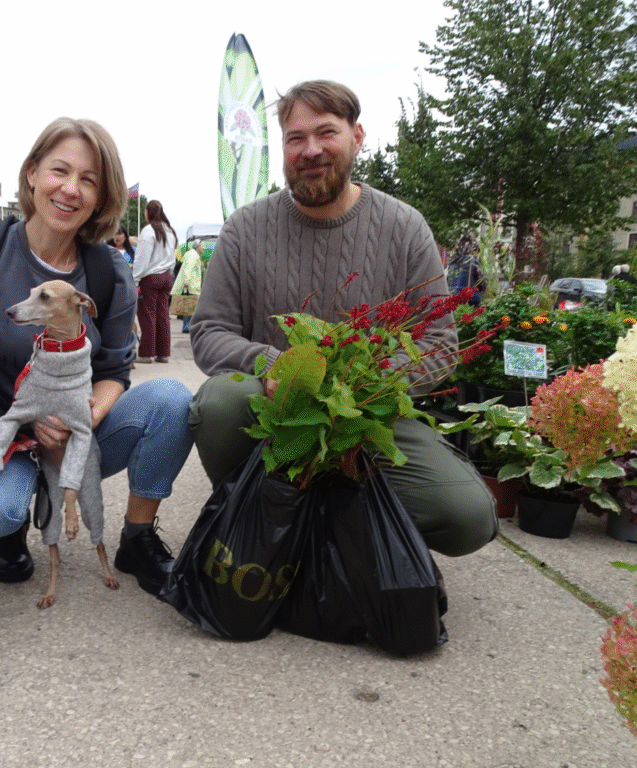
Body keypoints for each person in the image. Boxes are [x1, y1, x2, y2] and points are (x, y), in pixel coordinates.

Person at [189, 80, 497, 559]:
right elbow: (209, 331)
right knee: (220, 402)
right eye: (295, 138)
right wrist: (282, 367)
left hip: (372, 416)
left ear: (357, 136)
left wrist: (360, 388)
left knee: (467, 517)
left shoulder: (404, 226)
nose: (310, 150)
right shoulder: (245, 229)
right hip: (278, 412)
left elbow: (438, 341)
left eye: (326, 133)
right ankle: (255, 519)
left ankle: (340, 530)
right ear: (283, 148)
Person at [0, 117, 193, 596]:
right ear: (32, 173)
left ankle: (136, 538)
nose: (71, 189)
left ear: (101, 195)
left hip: (75, 431)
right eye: (60, 171)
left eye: (89, 180)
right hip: (0, 430)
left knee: (173, 401)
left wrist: (82, 418)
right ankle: (10, 527)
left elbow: (115, 369)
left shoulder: (108, 272)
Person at [132, 200, 176, 364]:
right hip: (166, 277)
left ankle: (146, 354)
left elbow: (142, 259)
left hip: (150, 278)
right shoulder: (169, 230)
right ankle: (163, 354)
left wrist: (135, 279)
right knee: (163, 315)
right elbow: (172, 257)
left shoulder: (148, 231)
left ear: (148, 212)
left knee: (147, 315)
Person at [172, 239, 204, 333]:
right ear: (197, 246)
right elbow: (189, 268)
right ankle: (187, 327)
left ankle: (187, 326)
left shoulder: (191, 254)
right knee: (189, 307)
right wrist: (186, 281)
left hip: (191, 284)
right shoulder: (193, 255)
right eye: (202, 245)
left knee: (189, 306)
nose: (203, 248)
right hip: (191, 285)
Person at [446, 234, 486, 306]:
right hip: (469, 298)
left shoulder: (452, 262)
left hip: (453, 297)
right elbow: (481, 282)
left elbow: (448, 280)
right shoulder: (473, 261)